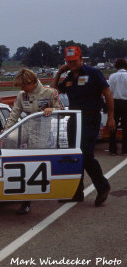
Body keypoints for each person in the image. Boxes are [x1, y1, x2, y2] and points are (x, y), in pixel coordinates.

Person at [51, 46, 115, 206]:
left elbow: (107, 93)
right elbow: (54, 91)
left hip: (90, 118)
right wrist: (60, 72)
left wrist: (111, 118)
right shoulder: (70, 77)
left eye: (74, 61)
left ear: (81, 59)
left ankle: (103, 186)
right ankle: (76, 192)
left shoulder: (93, 73)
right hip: (74, 120)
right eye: (68, 62)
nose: (71, 64)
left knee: (86, 154)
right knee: (74, 155)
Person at [4, 68, 62, 214]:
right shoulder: (22, 94)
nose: (22, 89)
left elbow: (61, 111)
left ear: (32, 82)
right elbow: (14, 115)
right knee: (10, 139)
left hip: (42, 129)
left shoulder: (49, 92)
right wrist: (4, 135)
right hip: (27, 125)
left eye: (24, 86)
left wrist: (51, 110)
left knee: (34, 160)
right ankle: (12, 176)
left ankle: (27, 200)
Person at [108, 58, 127, 156]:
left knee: (113, 126)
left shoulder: (112, 76)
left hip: (115, 102)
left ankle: (112, 149)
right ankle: (125, 150)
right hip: (126, 103)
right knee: (126, 127)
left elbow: (109, 91)